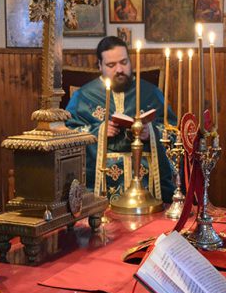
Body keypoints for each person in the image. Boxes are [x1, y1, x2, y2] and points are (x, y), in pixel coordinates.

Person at [65, 36, 176, 203]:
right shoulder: (83, 97)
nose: (119, 69)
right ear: (100, 66)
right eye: (111, 65)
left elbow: (174, 131)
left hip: (146, 186)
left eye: (124, 62)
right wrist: (99, 131)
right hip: (101, 187)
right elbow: (67, 136)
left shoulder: (150, 93)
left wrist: (151, 132)